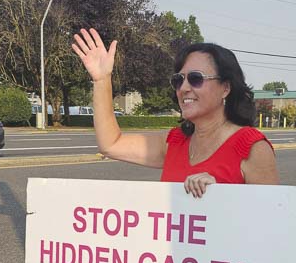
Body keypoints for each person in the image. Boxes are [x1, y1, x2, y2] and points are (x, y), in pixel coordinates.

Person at [71, 28, 278, 198]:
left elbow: (273, 223)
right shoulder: (174, 143)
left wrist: (222, 196)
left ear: (226, 87)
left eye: (196, 78)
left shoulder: (252, 148)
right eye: (179, 80)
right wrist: (101, 80)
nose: (184, 88)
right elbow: (111, 144)